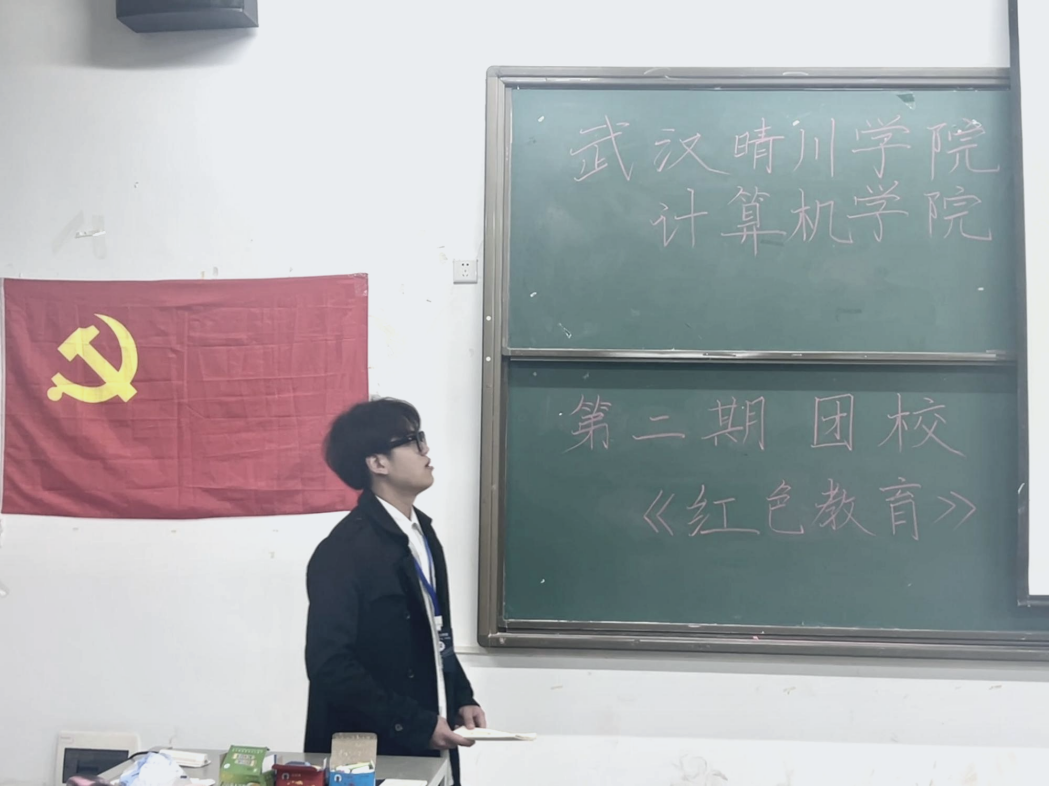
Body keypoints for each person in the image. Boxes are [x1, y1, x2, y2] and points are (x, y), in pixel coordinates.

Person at [304, 397, 484, 785]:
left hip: (429, 739)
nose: (425, 449)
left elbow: (435, 633)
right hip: (374, 755)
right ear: (377, 463)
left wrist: (461, 696)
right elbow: (329, 665)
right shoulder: (343, 551)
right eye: (413, 440)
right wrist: (412, 722)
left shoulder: (423, 534)